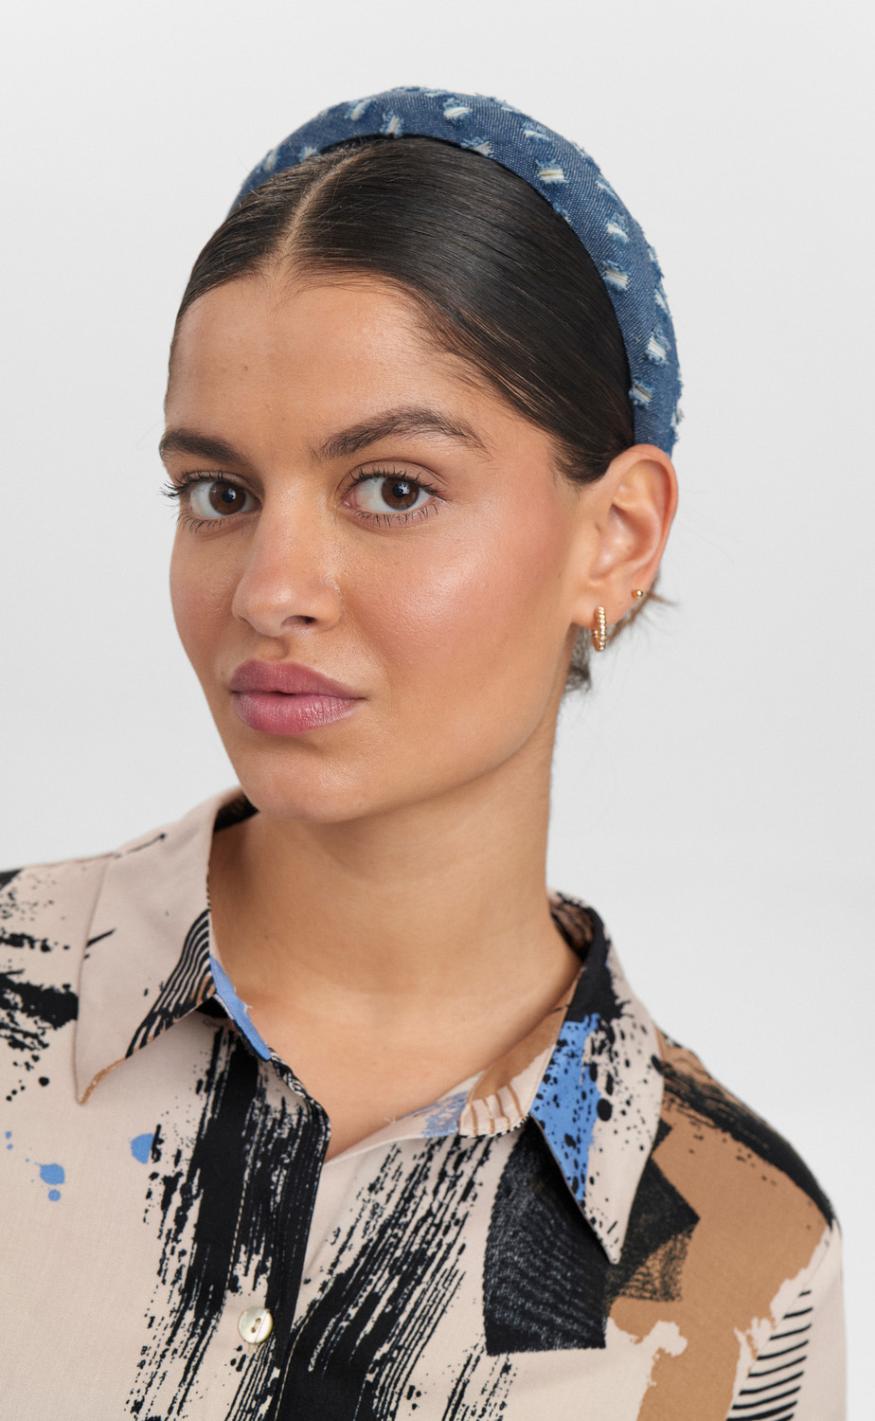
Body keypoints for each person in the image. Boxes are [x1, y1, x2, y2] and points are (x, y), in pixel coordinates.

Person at [0, 85, 844, 1418]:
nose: (272, 589)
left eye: (392, 488)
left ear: (616, 537)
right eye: (220, 493)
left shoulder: (738, 1250)